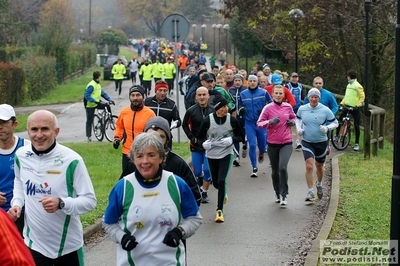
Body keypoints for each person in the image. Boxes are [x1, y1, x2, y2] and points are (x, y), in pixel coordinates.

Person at [8, 110, 97, 265]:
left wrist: (61, 203)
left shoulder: (72, 160)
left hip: (68, 246)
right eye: (34, 129)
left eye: (45, 129)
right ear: (28, 131)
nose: (39, 135)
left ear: (56, 131)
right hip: (34, 245)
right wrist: (16, 203)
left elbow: (90, 201)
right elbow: (19, 182)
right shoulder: (21, 155)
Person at [103, 131, 202, 266]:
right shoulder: (123, 187)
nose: (145, 161)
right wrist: (122, 238)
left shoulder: (176, 184)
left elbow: (194, 218)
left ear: (161, 157)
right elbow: (108, 223)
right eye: (139, 156)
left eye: (151, 155)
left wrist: (180, 232)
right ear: (133, 159)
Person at [120, 116, 201, 206]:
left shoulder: (178, 163)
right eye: (151, 135)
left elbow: (195, 197)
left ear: (167, 139)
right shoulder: (135, 163)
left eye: (161, 136)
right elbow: (121, 194)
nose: (156, 140)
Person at [198, 96, 244, 222]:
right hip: (211, 154)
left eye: (226, 106)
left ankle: (219, 211)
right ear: (217, 108)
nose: (225, 109)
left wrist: (232, 140)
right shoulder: (208, 120)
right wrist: (203, 144)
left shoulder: (232, 120)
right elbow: (200, 137)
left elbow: (241, 136)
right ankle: (223, 192)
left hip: (226, 153)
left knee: (222, 180)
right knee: (216, 183)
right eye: (223, 107)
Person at [295, 88, 338, 202]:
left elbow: (335, 122)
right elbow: (297, 119)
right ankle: (310, 191)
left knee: (319, 166)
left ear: (319, 98)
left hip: (321, 142)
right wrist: (299, 129)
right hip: (307, 141)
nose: (313, 99)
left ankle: (319, 183)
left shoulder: (325, 110)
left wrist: (327, 128)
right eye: (311, 97)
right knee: (309, 166)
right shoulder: (302, 109)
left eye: (316, 97)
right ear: (308, 98)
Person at [257, 85, 296, 206]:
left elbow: (294, 118)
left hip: (286, 142)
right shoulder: (268, 108)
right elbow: (259, 123)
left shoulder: (288, 107)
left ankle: (284, 194)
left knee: (282, 168)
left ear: (283, 95)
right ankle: (277, 192)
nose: (278, 95)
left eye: (281, 93)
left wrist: (292, 122)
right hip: (273, 143)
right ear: (272, 95)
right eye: (276, 93)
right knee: (275, 171)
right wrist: (270, 122)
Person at [0, 104, 30, 235]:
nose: (0, 127)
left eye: (4, 122)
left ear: (15, 124)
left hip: (25, 215)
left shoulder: (27, 147)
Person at [183, 87, 214, 203]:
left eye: (204, 95)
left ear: (208, 96)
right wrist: (191, 137)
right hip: (196, 145)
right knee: (196, 172)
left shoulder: (213, 110)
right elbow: (184, 125)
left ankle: (204, 192)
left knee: (207, 169)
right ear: (196, 97)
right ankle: (200, 181)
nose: (201, 97)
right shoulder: (191, 111)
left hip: (210, 146)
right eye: (199, 95)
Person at [113, 85, 156, 171]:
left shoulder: (150, 114)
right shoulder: (124, 112)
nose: (135, 98)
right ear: (129, 97)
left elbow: (154, 133)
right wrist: (117, 138)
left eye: (138, 95)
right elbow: (119, 126)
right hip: (127, 152)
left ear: (142, 97)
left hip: (143, 153)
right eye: (133, 95)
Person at [239, 74, 272, 177]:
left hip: (261, 123)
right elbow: (240, 106)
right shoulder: (243, 94)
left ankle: (261, 152)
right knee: (252, 145)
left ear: (257, 82)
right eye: (251, 81)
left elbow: (271, 104)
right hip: (249, 123)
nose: (252, 82)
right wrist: (242, 111)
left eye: (254, 81)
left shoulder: (263, 92)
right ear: (248, 82)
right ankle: (254, 167)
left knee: (262, 146)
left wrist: (265, 110)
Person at [144, 80, 182, 149]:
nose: (162, 93)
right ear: (155, 91)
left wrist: (174, 125)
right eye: (160, 90)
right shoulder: (147, 102)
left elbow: (178, 120)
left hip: (165, 136)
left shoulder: (171, 104)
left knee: (166, 158)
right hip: (149, 136)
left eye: (165, 91)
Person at [337, 70, 365, 151]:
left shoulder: (358, 86)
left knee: (356, 125)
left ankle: (356, 143)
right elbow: (346, 96)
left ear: (349, 76)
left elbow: (362, 97)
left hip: (355, 108)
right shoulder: (348, 85)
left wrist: (357, 105)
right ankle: (337, 135)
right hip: (347, 106)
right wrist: (342, 103)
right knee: (340, 120)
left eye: (347, 76)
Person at [84, 70, 114, 142]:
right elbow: (86, 95)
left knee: (107, 106)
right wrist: (94, 100)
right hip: (90, 105)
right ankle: (89, 136)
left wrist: (110, 100)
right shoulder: (92, 85)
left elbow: (103, 93)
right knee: (89, 121)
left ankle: (110, 119)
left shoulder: (98, 84)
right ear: (99, 77)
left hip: (96, 103)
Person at [229, 74, 248, 166]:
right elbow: (229, 101)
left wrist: (243, 110)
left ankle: (244, 146)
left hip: (243, 117)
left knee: (244, 134)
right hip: (233, 117)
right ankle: (237, 157)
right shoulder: (230, 90)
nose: (237, 82)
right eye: (235, 80)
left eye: (239, 80)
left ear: (242, 81)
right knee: (235, 136)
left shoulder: (245, 90)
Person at [286, 72, 304, 149]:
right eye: (293, 77)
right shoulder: (287, 86)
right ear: (290, 78)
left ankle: (297, 141)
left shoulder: (300, 86)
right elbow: (285, 96)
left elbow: (302, 97)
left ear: (298, 78)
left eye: (296, 77)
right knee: (289, 124)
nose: (294, 79)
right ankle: (289, 140)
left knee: (298, 124)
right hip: (289, 107)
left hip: (298, 107)